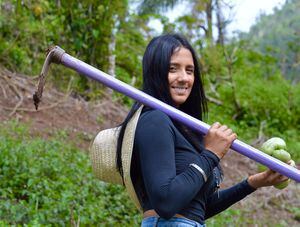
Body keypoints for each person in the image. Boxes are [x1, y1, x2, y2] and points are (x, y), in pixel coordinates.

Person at [116, 34, 288, 227]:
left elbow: (199, 209)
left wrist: (254, 182)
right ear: (155, 71)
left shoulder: (183, 128)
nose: (183, 78)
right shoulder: (155, 120)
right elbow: (166, 203)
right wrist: (211, 154)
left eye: (189, 71)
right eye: (173, 69)